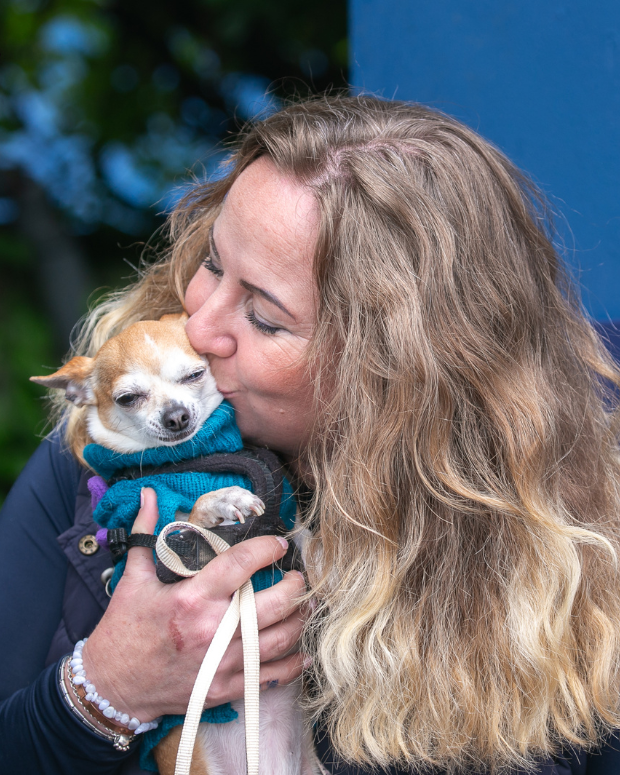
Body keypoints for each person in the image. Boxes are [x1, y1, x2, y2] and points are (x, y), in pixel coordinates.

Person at [1, 95, 620, 775]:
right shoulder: (117, 446)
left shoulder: (574, 531)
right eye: (212, 262)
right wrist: (105, 691)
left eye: (263, 316)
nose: (201, 326)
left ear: (395, 373)